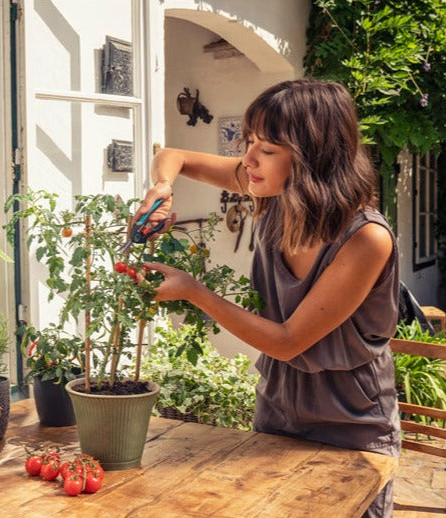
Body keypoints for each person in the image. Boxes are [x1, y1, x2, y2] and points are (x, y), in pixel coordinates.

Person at [134, 78, 400, 518]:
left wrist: (193, 291)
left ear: (314, 158)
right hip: (277, 410)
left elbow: (288, 342)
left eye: (268, 149)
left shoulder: (366, 238)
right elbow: (174, 156)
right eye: (250, 141)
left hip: (351, 426)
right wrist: (162, 187)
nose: (249, 159)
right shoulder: (272, 191)